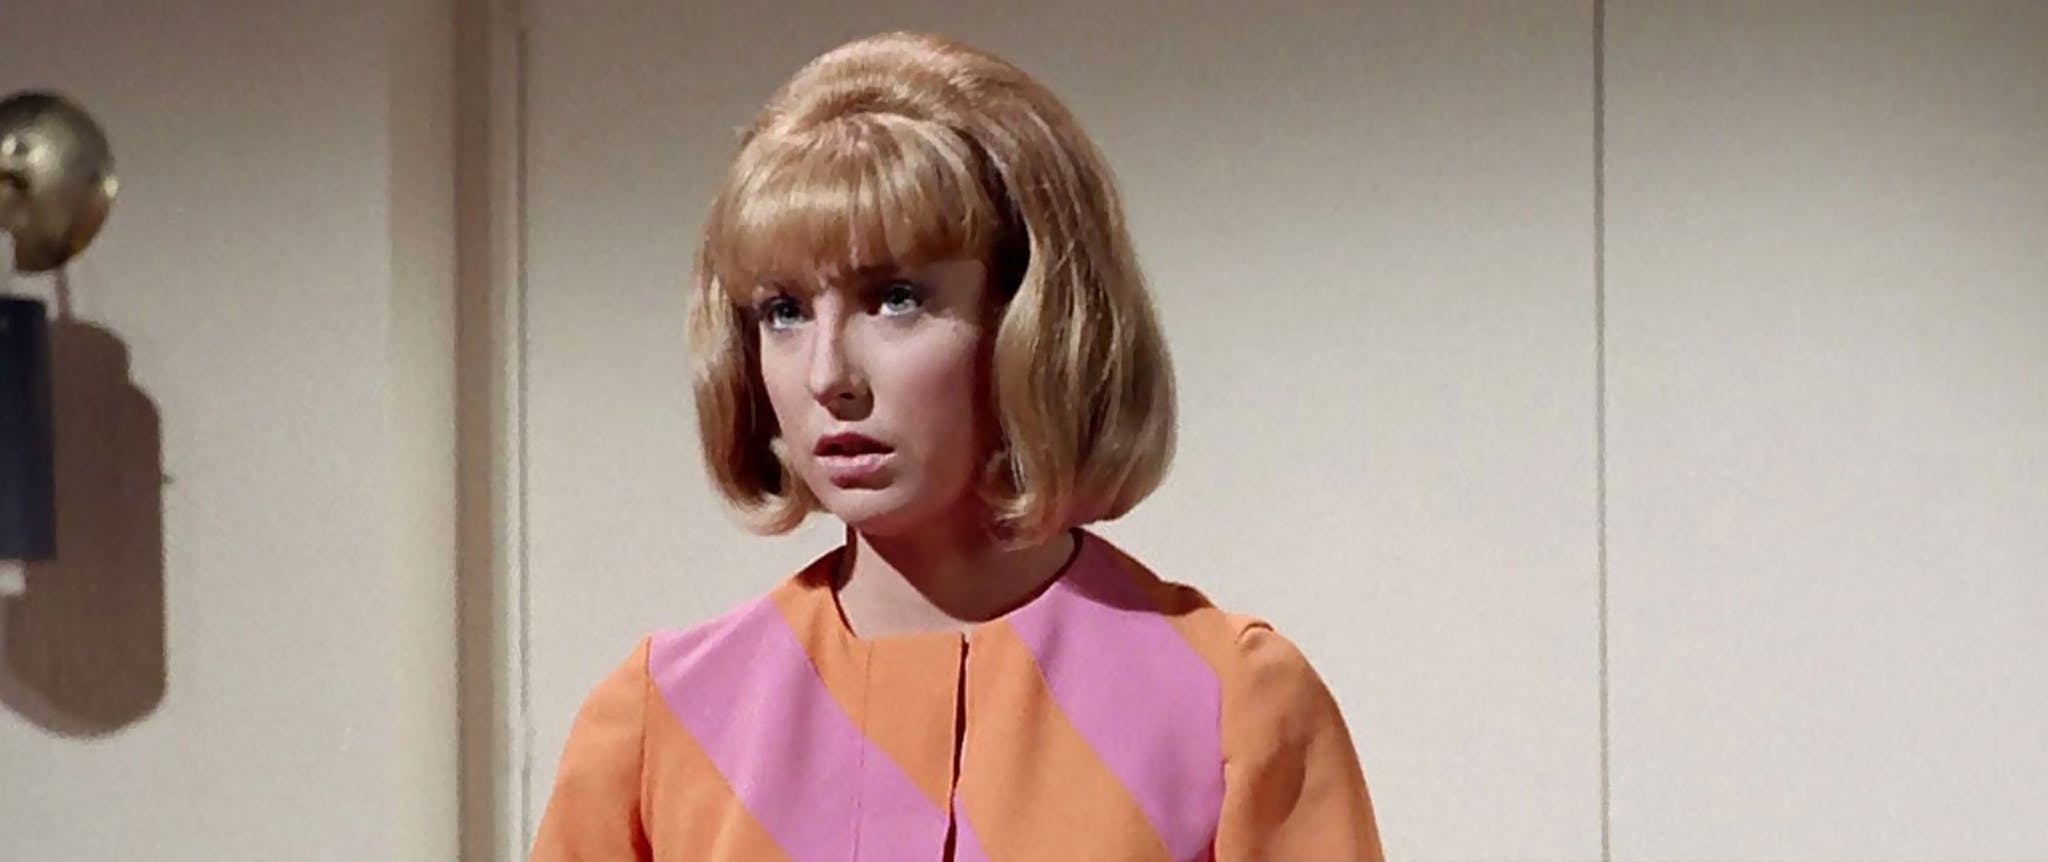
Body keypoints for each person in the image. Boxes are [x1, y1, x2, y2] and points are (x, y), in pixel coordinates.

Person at [531, 31, 1383, 862]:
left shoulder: (1230, 710)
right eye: (783, 312)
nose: (829, 375)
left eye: (895, 298)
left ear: (1034, 317)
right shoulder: (662, 722)